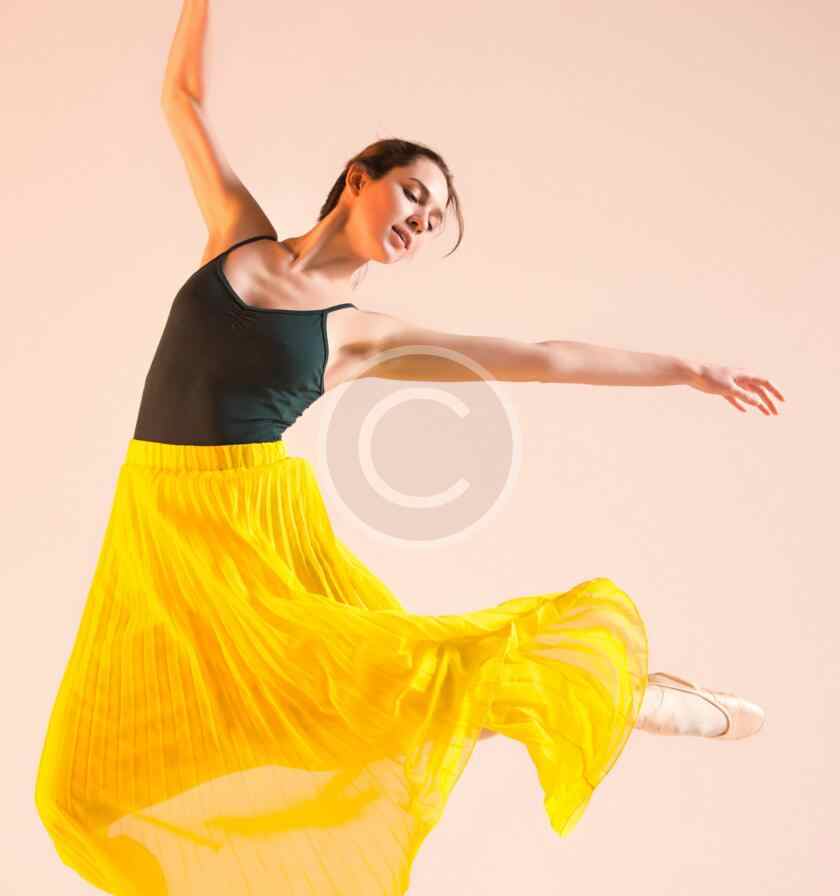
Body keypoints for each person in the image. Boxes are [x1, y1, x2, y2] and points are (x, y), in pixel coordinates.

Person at [34, 2, 783, 893]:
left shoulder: (359, 336)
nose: (422, 222)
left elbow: (541, 359)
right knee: (78, 787)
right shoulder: (236, 233)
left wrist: (687, 370)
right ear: (359, 178)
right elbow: (181, 98)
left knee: (378, 692)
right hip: (156, 524)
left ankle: (612, 687)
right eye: (415, 196)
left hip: (244, 526)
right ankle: (599, 689)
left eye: (433, 222)